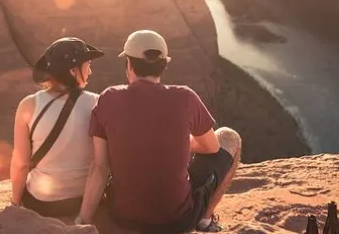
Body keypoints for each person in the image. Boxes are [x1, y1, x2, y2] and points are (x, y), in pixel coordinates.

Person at [76, 30, 242, 232]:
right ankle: (205, 221)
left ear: (129, 64)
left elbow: (100, 166)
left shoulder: (108, 98)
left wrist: (83, 220)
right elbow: (212, 148)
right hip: (176, 222)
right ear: (163, 65)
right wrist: (184, 143)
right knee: (229, 137)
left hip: (123, 219)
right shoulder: (186, 97)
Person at [9, 37, 104, 217]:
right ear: (73, 70)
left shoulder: (28, 105)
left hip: (41, 202)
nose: (90, 71)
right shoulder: (98, 103)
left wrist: (15, 202)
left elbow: (20, 163)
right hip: (81, 200)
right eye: (88, 65)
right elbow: (100, 164)